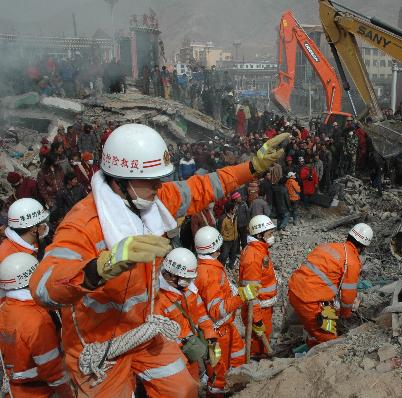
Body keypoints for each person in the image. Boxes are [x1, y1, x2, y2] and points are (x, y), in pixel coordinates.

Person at [29, 124, 288, 397]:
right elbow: (43, 286)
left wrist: (251, 168)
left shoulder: (152, 201)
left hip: (144, 332)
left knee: (184, 389)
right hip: (100, 345)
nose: (159, 185)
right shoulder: (84, 224)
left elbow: (204, 187)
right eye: (151, 180)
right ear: (121, 180)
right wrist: (97, 269)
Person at [0, 253, 74, 398]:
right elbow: (52, 367)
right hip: (39, 392)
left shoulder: (4, 309)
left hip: (13, 390)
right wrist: (68, 393)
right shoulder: (37, 319)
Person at [194, 226, 256, 397]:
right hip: (216, 333)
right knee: (218, 372)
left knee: (237, 355)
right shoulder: (209, 274)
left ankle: (236, 388)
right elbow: (217, 311)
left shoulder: (205, 267)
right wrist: (242, 296)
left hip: (225, 328)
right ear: (216, 247)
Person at [287, 223, 373, 347]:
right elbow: (347, 296)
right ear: (363, 247)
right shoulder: (352, 261)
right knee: (329, 340)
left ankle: (310, 338)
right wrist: (345, 314)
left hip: (295, 290)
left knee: (314, 326)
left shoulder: (328, 247)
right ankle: (312, 358)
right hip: (309, 300)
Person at [156, 248, 218, 390]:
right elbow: (159, 340)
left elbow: (201, 314)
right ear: (172, 276)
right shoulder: (158, 300)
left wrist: (210, 337)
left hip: (192, 351)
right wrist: (185, 349)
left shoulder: (188, 289)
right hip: (176, 359)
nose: (189, 282)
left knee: (193, 388)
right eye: (186, 279)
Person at [238, 215, 278, 359]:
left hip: (264, 306)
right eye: (269, 234)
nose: (272, 237)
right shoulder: (254, 257)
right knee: (258, 342)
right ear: (260, 235)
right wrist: (257, 319)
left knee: (264, 336)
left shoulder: (260, 249)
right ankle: (257, 360)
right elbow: (250, 293)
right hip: (257, 309)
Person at [0, 198, 49, 262]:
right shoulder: (6, 258)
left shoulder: (33, 240)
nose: (46, 225)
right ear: (34, 230)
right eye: (43, 222)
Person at [218, 201, 239, 268]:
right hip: (226, 241)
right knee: (224, 255)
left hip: (234, 239)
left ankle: (231, 266)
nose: (236, 209)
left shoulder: (235, 216)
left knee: (233, 254)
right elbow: (220, 231)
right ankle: (221, 267)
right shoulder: (223, 218)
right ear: (230, 210)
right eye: (234, 208)